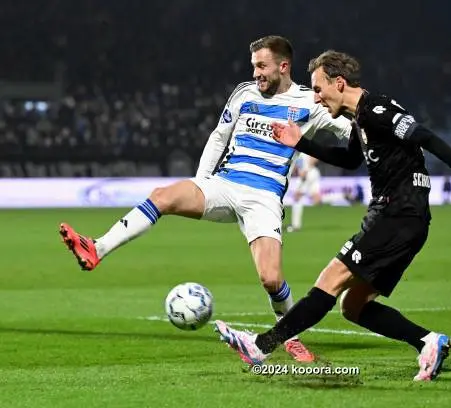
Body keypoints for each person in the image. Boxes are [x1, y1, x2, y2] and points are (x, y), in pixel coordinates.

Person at [58, 36, 354, 362]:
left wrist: (377, 129)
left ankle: (289, 335)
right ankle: (96, 248)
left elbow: (348, 128)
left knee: (271, 278)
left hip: (264, 198)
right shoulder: (244, 94)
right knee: (162, 196)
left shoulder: (309, 102)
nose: (255, 72)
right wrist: (201, 184)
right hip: (224, 184)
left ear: (283, 66)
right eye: (253, 65)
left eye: (261, 66)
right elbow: (218, 137)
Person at [213, 50, 451, 381]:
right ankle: (428, 342)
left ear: (340, 83)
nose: (316, 99)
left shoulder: (377, 111)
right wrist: (300, 142)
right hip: (403, 218)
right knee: (354, 306)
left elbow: (422, 134)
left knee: (329, 280)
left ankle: (260, 346)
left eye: (318, 89)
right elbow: (348, 160)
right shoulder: (360, 119)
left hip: (398, 214)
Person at [286, 152, 321, 232]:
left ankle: (295, 225)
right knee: (316, 199)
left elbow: (313, 159)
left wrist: (306, 170)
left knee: (298, 198)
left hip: (309, 174)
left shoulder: (303, 151)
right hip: (308, 174)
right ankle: (342, 196)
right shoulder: (298, 153)